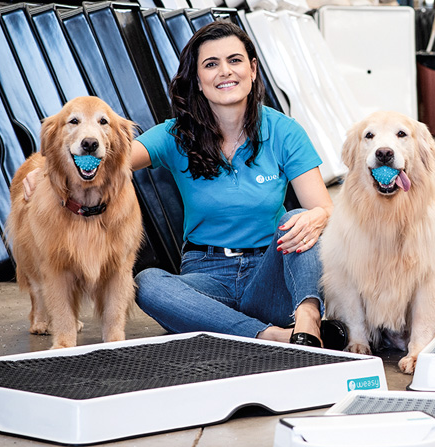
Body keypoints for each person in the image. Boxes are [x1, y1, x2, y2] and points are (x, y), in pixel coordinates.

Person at [24, 21, 342, 348]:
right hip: (206, 276)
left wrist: (318, 215)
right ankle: (271, 335)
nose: (224, 72)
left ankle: (307, 322)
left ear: (253, 69)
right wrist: (47, 166)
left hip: (269, 274)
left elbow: (322, 207)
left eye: (234, 60)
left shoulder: (285, 131)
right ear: (198, 80)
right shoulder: (177, 134)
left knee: (299, 218)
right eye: (211, 64)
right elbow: (113, 154)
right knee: (148, 284)